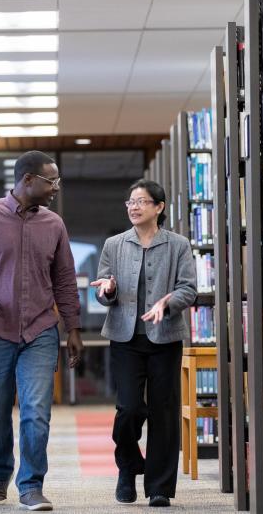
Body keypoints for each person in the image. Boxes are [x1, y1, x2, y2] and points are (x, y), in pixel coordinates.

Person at [0, 150, 84, 511]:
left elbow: (65, 279)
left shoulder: (54, 224)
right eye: (50, 181)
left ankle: (31, 485)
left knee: (37, 411)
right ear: (27, 180)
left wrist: (73, 326)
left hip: (40, 329)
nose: (56, 187)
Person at [89, 179, 197, 507]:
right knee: (129, 409)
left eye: (141, 201)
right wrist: (106, 290)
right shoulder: (114, 244)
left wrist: (168, 303)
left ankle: (160, 486)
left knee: (164, 412)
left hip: (164, 338)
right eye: (130, 202)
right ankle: (128, 465)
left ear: (159, 207)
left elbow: (189, 289)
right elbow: (103, 291)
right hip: (125, 338)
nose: (134, 207)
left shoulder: (178, 245)